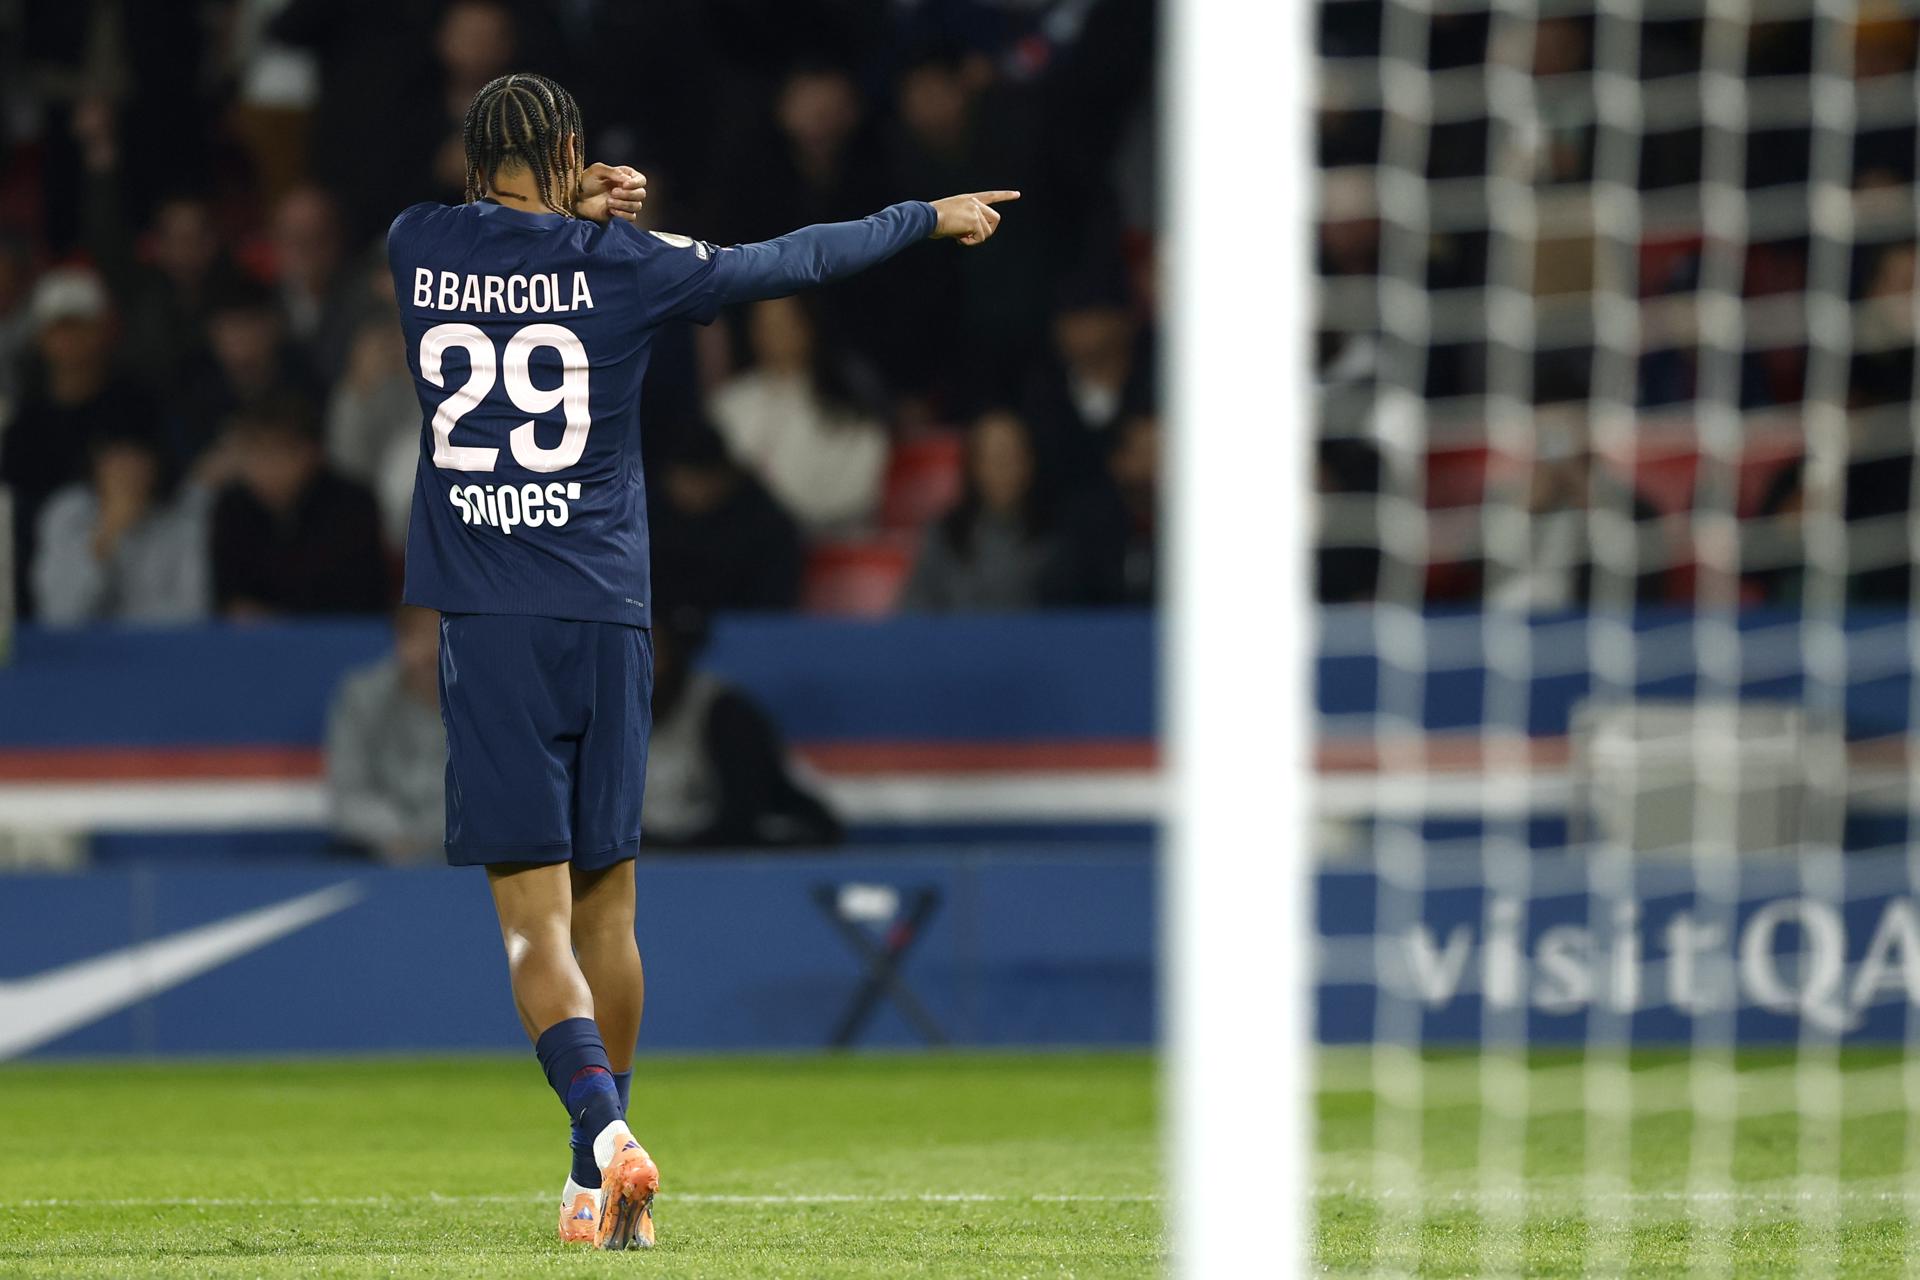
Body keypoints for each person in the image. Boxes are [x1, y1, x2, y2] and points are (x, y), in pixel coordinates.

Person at [385, 71, 1015, 1248]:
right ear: (573, 151)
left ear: (473, 160)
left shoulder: (415, 244)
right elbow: (793, 259)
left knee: (532, 928)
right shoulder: (631, 265)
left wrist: (582, 206)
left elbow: (499, 234)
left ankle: (607, 1136)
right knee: (610, 909)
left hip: (491, 622)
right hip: (612, 619)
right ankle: (589, 1184)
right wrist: (927, 214)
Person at [0, 268, 160, 618]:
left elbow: (160, 478)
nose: (70, 340)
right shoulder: (26, 423)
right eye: (60, 328)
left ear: (103, 331)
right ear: (41, 336)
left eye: (81, 326)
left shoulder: (135, 403)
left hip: (139, 560)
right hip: (49, 575)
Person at [642, 609, 841, 850]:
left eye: (652, 647)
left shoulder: (725, 714)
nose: (640, 660)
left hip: (708, 865)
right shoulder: (599, 708)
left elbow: (743, 818)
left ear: (675, 651)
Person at [708, 294, 888, 534]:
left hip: (827, 544)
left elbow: (858, 489)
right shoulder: (728, 405)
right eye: (763, 324)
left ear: (809, 326)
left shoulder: (846, 406)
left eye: (783, 323)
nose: (771, 335)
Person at [208, 396, 389, 618]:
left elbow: (361, 597)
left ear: (311, 452)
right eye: (253, 452)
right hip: (255, 647)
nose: (265, 467)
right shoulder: (231, 508)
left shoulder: (353, 505)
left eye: (277, 452)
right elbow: (229, 600)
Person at [31, 426, 209, 626]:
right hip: (82, 651)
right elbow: (58, 614)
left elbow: (192, 613)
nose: (127, 470)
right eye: (116, 458)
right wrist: (105, 536)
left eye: (138, 458)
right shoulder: (68, 513)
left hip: (156, 651)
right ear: (96, 462)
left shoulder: (183, 518)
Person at [325, 605, 447, 862]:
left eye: (441, 634)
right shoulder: (361, 697)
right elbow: (347, 796)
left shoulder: (486, 704)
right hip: (381, 857)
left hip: (468, 862)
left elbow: (496, 798)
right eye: (418, 634)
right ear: (399, 640)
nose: (430, 648)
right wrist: (397, 834)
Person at [902, 408, 1053, 612]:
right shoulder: (944, 535)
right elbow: (914, 612)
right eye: (994, 458)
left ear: (1029, 462)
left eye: (1013, 456)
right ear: (973, 466)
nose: (1004, 468)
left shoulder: (1054, 541)